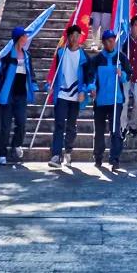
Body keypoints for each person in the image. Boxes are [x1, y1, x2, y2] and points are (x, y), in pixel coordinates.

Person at [0, 26, 39, 165]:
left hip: (21, 94)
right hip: (7, 95)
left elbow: (31, 72)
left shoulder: (27, 55)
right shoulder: (7, 55)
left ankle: (16, 145)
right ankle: (1, 153)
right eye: (24, 36)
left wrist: (34, 86)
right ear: (18, 38)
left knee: (22, 123)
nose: (26, 39)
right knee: (5, 126)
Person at [87, 29, 131, 172]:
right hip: (100, 101)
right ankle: (98, 156)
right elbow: (91, 76)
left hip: (116, 100)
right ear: (103, 42)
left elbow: (128, 75)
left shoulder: (121, 57)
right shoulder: (97, 59)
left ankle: (115, 158)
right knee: (99, 131)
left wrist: (122, 73)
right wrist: (92, 87)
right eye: (107, 41)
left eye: (112, 40)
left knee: (115, 130)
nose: (110, 43)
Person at [49, 25, 92, 168]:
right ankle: (56, 155)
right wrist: (50, 85)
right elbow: (54, 72)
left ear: (80, 37)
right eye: (72, 35)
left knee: (71, 126)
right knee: (59, 124)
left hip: (75, 95)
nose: (74, 38)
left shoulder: (84, 56)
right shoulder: (61, 53)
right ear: (68, 37)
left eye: (77, 35)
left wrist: (83, 91)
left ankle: (68, 149)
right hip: (61, 93)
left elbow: (88, 76)